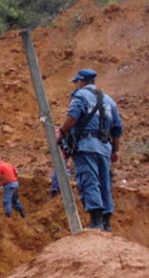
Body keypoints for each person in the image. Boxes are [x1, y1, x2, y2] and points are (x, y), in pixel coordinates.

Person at [57, 68, 123, 231]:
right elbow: (117, 129)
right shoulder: (109, 101)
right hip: (105, 148)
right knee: (104, 182)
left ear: (80, 82)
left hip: (86, 145)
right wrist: (115, 150)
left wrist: (62, 132)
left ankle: (96, 220)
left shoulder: (80, 96)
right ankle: (106, 222)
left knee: (89, 180)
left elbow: (72, 117)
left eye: (76, 82)